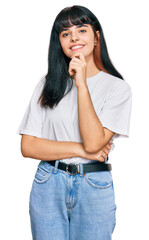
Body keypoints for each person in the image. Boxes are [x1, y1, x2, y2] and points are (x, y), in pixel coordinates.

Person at [17, 5, 132, 240]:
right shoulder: (47, 85)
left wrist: (81, 84)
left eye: (82, 29)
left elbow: (93, 143)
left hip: (93, 185)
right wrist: (81, 150)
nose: (74, 38)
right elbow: (28, 147)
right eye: (65, 33)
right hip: (48, 182)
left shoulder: (118, 89)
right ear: (58, 41)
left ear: (96, 36)